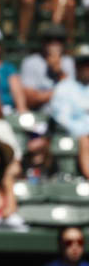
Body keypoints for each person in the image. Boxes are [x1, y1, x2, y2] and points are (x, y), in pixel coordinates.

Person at [50, 44, 89, 179]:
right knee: (85, 141)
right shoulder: (64, 87)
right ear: (76, 65)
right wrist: (84, 132)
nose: (86, 68)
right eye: (83, 64)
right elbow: (62, 119)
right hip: (72, 135)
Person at [21, 24, 75, 113]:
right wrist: (61, 92)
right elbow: (29, 99)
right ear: (43, 42)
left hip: (66, 115)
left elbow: (75, 96)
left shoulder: (69, 62)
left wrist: (59, 72)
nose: (54, 44)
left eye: (59, 40)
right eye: (50, 40)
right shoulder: (31, 62)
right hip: (40, 115)